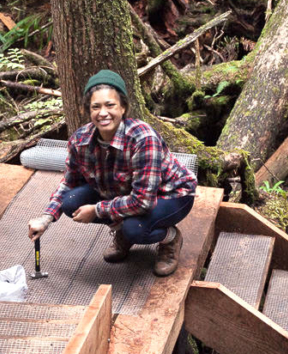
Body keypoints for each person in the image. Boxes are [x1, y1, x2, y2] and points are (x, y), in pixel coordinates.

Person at [28, 69, 197, 276]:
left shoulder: (143, 138)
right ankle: (122, 232)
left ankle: (169, 238)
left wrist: (97, 210)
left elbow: (143, 201)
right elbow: (69, 183)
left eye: (110, 105)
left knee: (135, 229)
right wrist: (46, 218)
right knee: (70, 202)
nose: (103, 113)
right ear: (88, 110)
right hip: (124, 192)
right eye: (96, 107)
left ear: (123, 107)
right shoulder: (80, 140)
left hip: (171, 195)